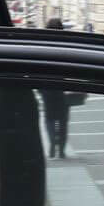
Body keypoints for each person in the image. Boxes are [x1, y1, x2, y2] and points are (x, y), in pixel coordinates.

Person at [41, 16, 70, 158]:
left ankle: (52, 142)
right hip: (62, 86)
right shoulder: (66, 44)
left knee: (49, 117)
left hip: (46, 87)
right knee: (63, 119)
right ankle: (62, 150)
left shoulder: (43, 44)